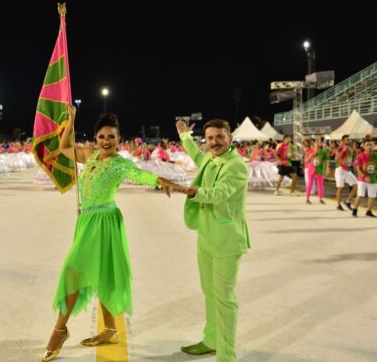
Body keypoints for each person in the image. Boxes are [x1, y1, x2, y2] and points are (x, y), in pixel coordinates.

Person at [41, 105, 185, 362]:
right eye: (101, 136)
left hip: (104, 222)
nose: (106, 141)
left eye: (111, 136)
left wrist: (162, 181)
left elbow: (141, 174)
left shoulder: (120, 164)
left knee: (73, 271)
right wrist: (71, 120)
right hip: (86, 221)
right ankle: (109, 329)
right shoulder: (90, 156)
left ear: (119, 139)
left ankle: (60, 330)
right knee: (101, 273)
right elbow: (64, 148)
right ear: (95, 139)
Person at [176, 118, 250, 362]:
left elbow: (221, 193)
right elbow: (198, 157)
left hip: (227, 241)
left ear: (230, 137)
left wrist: (195, 192)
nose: (214, 142)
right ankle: (211, 340)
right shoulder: (209, 157)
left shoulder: (236, 165)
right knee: (210, 293)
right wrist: (185, 137)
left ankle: (226, 355)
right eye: (210, 138)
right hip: (206, 237)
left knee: (225, 299)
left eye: (219, 137)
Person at [351, 138, 376, 217]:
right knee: (360, 194)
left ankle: (369, 211)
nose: (369, 146)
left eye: (370, 144)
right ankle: (355, 209)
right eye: (367, 145)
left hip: (373, 178)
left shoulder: (375, 155)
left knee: (372, 196)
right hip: (362, 179)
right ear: (364, 146)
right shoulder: (360, 155)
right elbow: (357, 168)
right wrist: (364, 177)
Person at [334, 135, 358, 211]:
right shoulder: (339, 148)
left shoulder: (350, 149)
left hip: (347, 170)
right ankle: (338, 205)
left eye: (349, 139)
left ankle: (347, 201)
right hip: (340, 170)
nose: (349, 140)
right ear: (343, 140)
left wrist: (355, 152)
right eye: (347, 139)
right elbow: (336, 159)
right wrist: (343, 150)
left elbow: (352, 160)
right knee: (340, 188)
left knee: (356, 186)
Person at [304, 139, 327, 204]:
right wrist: (311, 155)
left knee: (320, 184)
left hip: (320, 170)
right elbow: (306, 161)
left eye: (319, 142)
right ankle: (307, 198)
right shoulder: (309, 151)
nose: (318, 143)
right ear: (313, 144)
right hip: (311, 169)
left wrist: (325, 170)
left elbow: (325, 161)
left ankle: (321, 199)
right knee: (310, 184)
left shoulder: (323, 152)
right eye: (316, 142)